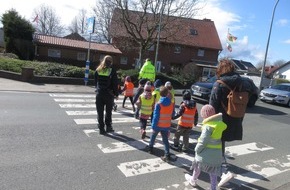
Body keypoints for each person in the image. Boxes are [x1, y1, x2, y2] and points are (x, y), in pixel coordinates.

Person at [209, 58, 251, 162]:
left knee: (216, 141)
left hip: (220, 119)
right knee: (222, 140)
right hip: (236, 117)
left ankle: (219, 164)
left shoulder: (219, 84)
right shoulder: (243, 83)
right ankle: (221, 161)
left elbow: (212, 105)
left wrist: (208, 121)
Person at [184, 104, 227, 190]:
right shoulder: (218, 124)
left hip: (205, 152)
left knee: (197, 166)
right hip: (215, 153)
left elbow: (203, 141)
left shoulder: (208, 127)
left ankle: (193, 180)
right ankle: (213, 187)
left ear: (205, 115)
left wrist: (197, 149)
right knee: (213, 172)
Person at [146, 86, 175, 162]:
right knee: (165, 140)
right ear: (167, 93)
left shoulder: (158, 104)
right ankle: (167, 154)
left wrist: (153, 126)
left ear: (160, 94)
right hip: (166, 125)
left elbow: (156, 116)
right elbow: (172, 114)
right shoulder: (171, 104)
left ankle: (150, 148)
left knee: (153, 136)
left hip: (158, 125)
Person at [94, 55, 119, 135]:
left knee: (100, 112)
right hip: (109, 94)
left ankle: (101, 129)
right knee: (108, 111)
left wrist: (97, 89)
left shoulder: (98, 70)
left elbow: (96, 82)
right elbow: (115, 83)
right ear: (111, 62)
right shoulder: (112, 70)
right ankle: (108, 127)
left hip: (99, 93)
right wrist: (116, 94)